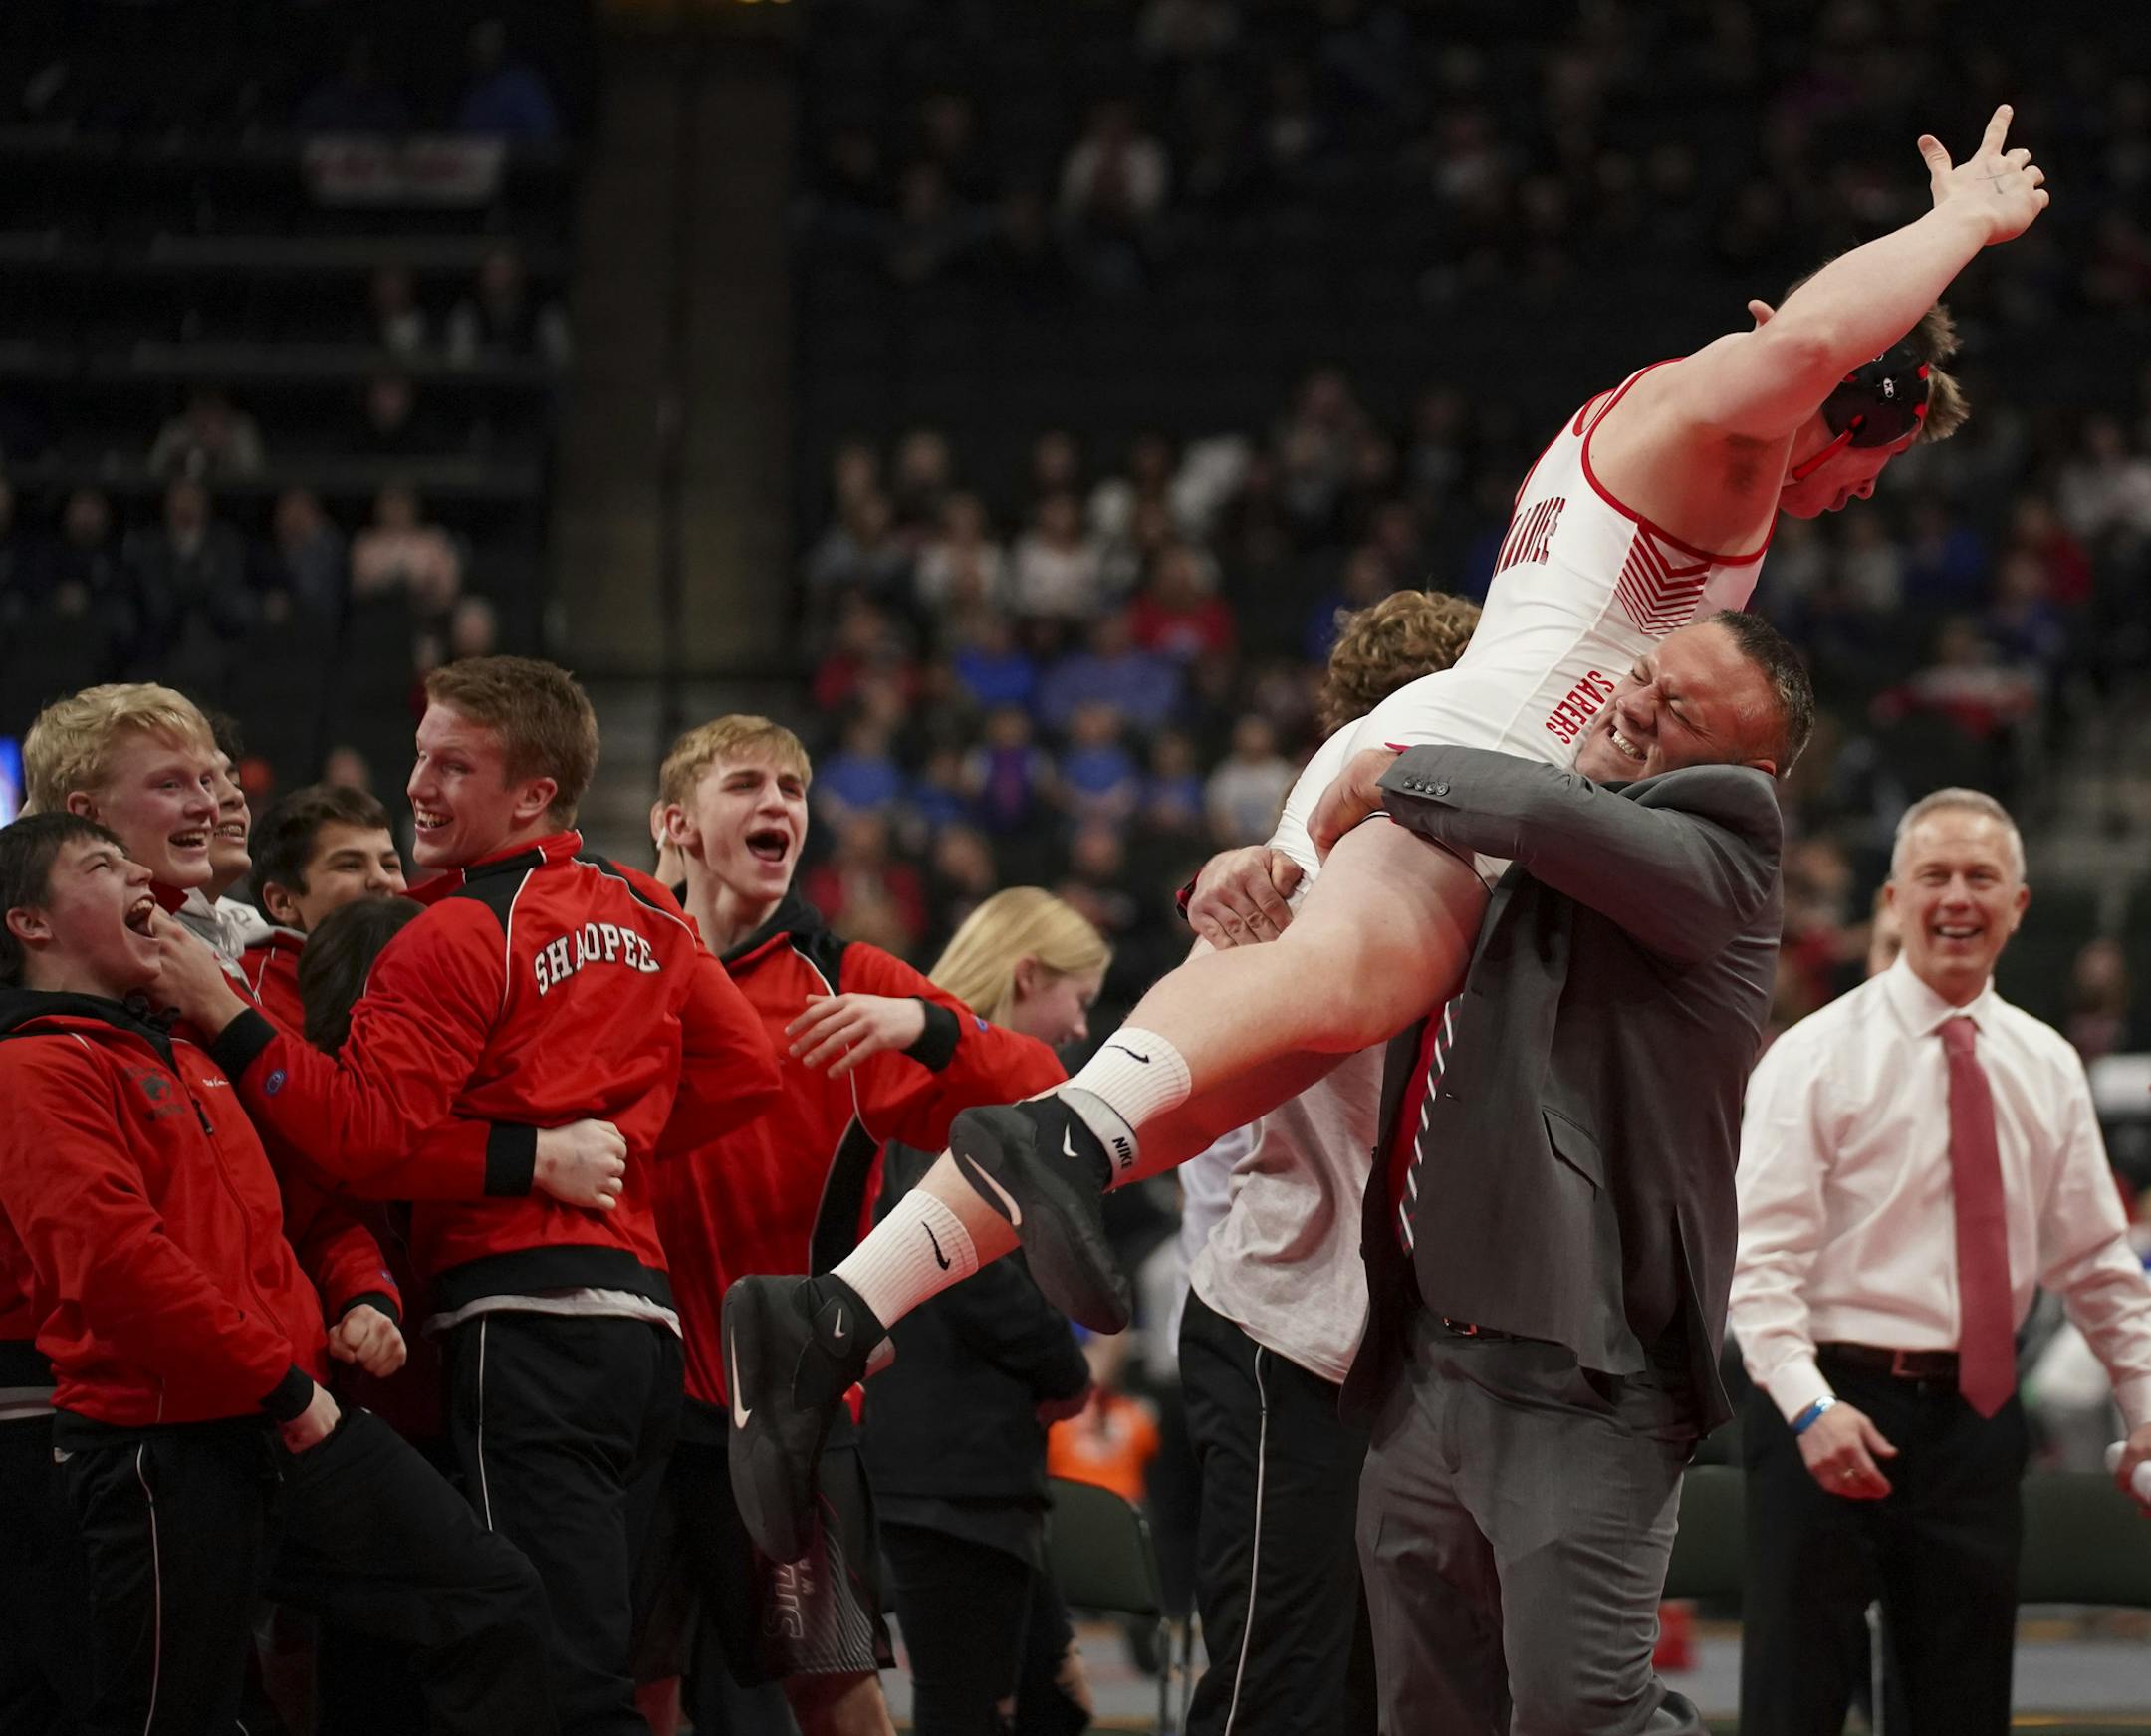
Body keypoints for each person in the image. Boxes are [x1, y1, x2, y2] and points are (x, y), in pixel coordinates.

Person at [720, 113, 2052, 1522]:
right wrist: (1962, 223)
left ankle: (834, 1313)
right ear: (1863, 401)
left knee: (1173, 1104)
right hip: (1461, 755)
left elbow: (1800, 362)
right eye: (1874, 464)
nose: (1857, 495)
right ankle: (1067, 1161)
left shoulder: (1668, 437)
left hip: (1428, 734)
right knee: (1341, 999)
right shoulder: (1719, 435)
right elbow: (1798, 356)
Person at [151, 656, 784, 1736]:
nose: (418, 786)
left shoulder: (451, 933)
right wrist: (606, 1140)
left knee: (546, 1672)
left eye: (452, 765)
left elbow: (359, 1137)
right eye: (419, 756)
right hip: (640, 1332)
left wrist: (224, 1012)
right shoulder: (642, 903)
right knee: (579, 1658)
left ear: (533, 793)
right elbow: (746, 1072)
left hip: (519, 1325)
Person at [1319, 610, 1810, 1735]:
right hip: (1427, 1359)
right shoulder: (1554, 843)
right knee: (1424, 1718)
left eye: (1680, 708)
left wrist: (1380, 770)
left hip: (1585, 1386)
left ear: (1755, 771)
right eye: (1644, 674)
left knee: (1586, 1720)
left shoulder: (1725, 855)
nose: (1635, 703)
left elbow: (1537, 807)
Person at [0, 812, 559, 1735]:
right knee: (174, 1716)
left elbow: (302, 1212)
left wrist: (363, 1293)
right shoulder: (32, 1064)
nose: (139, 874)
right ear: (31, 922)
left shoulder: (188, 1042)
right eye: (104, 862)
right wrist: (287, 1385)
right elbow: (116, 1270)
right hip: (166, 1440)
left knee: (492, 1595)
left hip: (288, 1419)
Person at [647, 715, 1065, 1733]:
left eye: (793, 786)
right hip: (638, 1394)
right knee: (637, 1689)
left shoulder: (852, 979)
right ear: (677, 824)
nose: (779, 804)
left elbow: (1046, 1090)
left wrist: (923, 1026)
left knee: (834, 1690)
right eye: (746, 784)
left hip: (787, 1406)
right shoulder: (627, 965)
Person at [1730, 788, 2151, 1736]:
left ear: (2018, 905)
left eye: (1980, 878)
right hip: (1826, 1406)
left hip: (1976, 1418)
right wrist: (1808, 1406)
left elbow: (2097, 1265)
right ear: (1891, 899)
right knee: (1793, 1704)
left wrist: (2146, 1406)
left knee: (1960, 1709)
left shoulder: (2046, 1064)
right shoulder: (1813, 1057)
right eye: (1934, 876)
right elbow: (1759, 1268)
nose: (1956, 897)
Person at [1173, 589, 1481, 1736]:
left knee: (1402, 1692)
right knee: (1276, 1693)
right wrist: (1226, 880)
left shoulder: (1512, 870)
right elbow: (1240, 900)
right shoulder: (1288, 871)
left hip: (1433, 1352)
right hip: (1287, 1334)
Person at [856, 889, 1107, 1736]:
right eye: (1078, 998)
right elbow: (965, 1272)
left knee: (1048, 1703)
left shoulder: (935, 1082)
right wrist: (1065, 1368)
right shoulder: (947, 1089)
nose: (1079, 1026)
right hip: (947, 1468)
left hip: (961, 1462)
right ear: (1028, 973)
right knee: (972, 1711)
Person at [244, 783, 411, 1029]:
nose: (382, 879)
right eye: (350, 865)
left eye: (390, 865)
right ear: (283, 902)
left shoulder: (423, 974)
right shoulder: (246, 993)